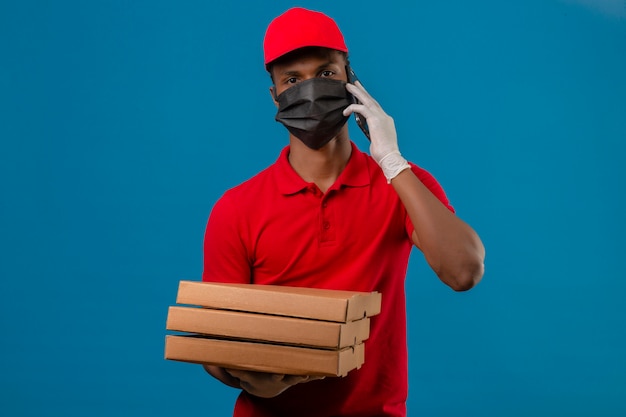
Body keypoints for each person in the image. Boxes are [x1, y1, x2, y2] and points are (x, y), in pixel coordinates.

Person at [201, 7, 485, 417]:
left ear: (352, 81)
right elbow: (215, 344)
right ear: (275, 95)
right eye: (293, 80)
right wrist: (248, 378)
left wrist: (391, 160)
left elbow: (464, 272)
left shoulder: (402, 184)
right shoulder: (236, 208)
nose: (311, 89)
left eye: (326, 73)